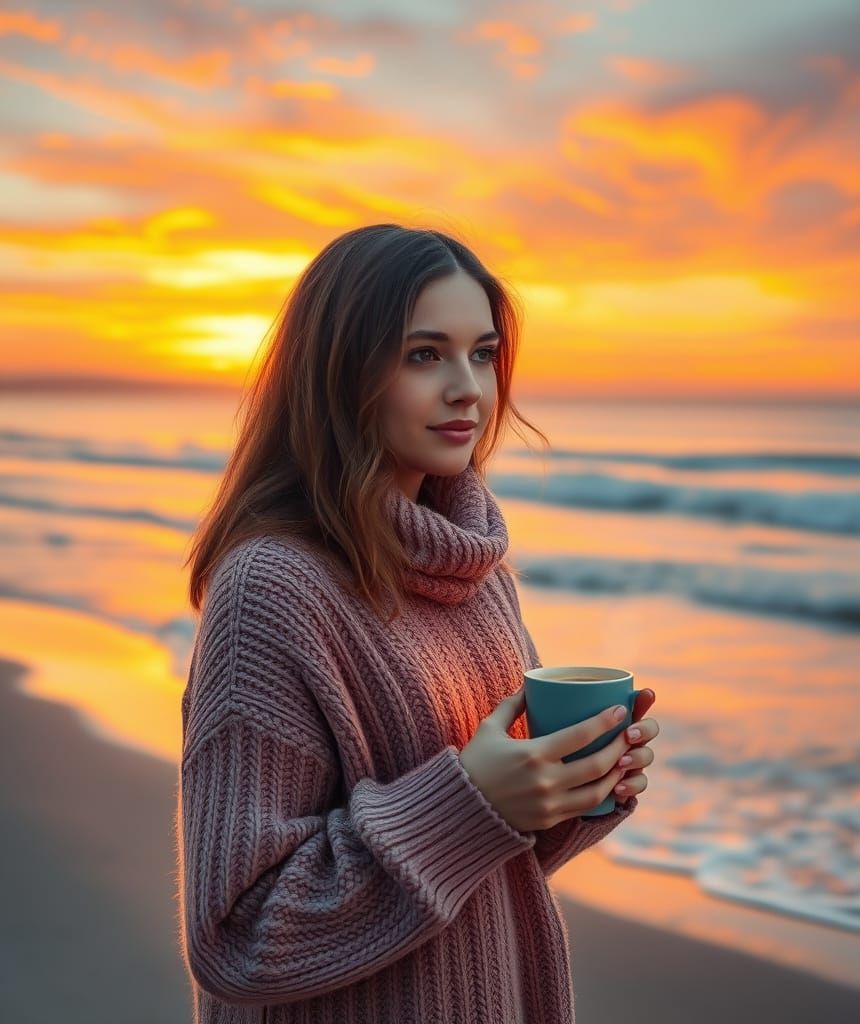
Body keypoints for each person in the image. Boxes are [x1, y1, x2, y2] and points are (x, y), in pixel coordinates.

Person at [175, 223, 660, 1024]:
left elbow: (490, 856)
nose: (468, 387)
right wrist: (477, 801)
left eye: (482, 353)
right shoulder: (271, 590)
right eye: (424, 354)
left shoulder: (475, 577)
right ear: (339, 374)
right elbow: (238, 934)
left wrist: (565, 791)